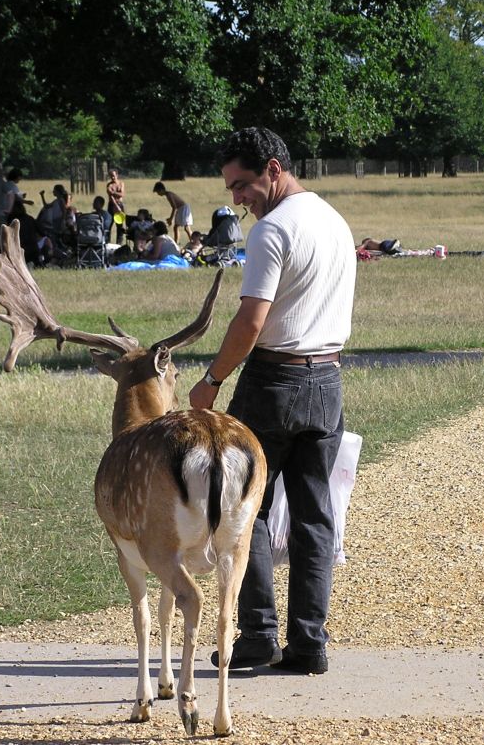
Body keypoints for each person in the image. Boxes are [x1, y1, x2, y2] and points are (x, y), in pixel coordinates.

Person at [189, 127, 356, 676]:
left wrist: (212, 379)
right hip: (327, 379)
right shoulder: (334, 221)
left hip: (272, 382)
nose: (238, 198)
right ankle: (309, 643)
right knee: (315, 516)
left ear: (274, 169)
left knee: (246, 508)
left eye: (242, 184)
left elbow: (251, 321)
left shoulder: (272, 230)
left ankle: (258, 635)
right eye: (232, 189)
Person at [106, 169, 126, 244]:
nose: (112, 178)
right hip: (112, 205)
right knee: (109, 225)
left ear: (117, 175)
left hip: (120, 205)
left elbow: (122, 194)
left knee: (120, 226)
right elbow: (111, 197)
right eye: (111, 176)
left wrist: (113, 192)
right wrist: (116, 206)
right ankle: (107, 243)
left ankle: (119, 244)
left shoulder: (121, 183)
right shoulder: (109, 185)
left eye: (114, 176)